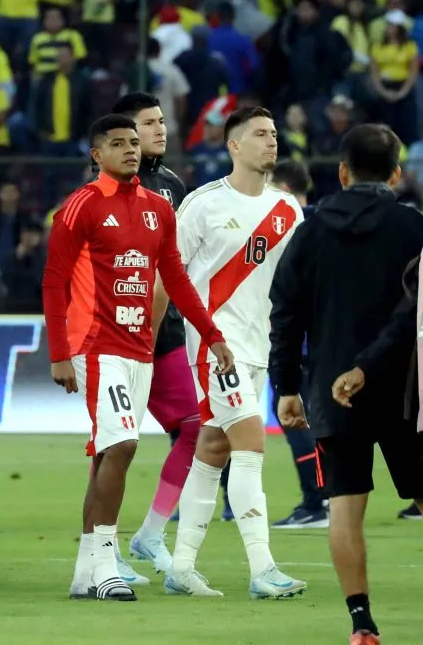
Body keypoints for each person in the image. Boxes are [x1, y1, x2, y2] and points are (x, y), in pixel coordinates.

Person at [42, 114, 233, 601]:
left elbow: (176, 279)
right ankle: (108, 565)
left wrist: (211, 335)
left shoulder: (158, 209)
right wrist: (59, 353)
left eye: (134, 142)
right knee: (124, 444)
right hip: (93, 345)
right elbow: (54, 281)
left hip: (139, 347)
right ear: (96, 154)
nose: (131, 149)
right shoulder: (81, 206)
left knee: (110, 451)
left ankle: (85, 572)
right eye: (118, 143)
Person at [269, 123, 423, 645]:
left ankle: (361, 623)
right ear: (396, 174)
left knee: (344, 505)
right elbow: (415, 310)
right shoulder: (414, 228)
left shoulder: (309, 232)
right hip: (407, 390)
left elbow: (285, 311)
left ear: (341, 172)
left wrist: (286, 386)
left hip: (331, 388)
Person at [163, 107, 307, 599]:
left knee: (213, 447)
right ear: (234, 146)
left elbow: (292, 285)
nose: (272, 141)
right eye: (261, 134)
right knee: (249, 445)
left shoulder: (287, 210)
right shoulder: (202, 204)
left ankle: (181, 567)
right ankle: (263, 568)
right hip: (216, 346)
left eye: (274, 133)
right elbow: (170, 272)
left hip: (259, 345)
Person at [108, 92, 201, 581]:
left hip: (164, 332)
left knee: (195, 427)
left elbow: (177, 264)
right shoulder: (105, 191)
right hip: (115, 332)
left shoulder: (172, 186)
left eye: (162, 121)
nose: (160, 130)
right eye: (149, 123)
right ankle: (103, 550)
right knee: (114, 442)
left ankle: (150, 533)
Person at [263, 159, 328, 529]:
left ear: (284, 189)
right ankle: (327, 496)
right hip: (325, 338)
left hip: (295, 340)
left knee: (295, 418)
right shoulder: (325, 223)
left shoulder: (288, 228)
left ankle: (315, 502)